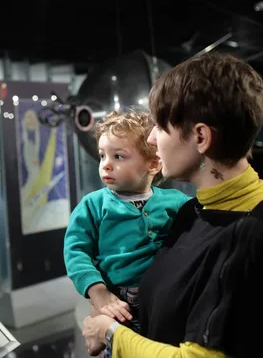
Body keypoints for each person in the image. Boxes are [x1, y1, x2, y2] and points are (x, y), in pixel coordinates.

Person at [81, 53, 263, 358]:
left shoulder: (256, 236)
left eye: (161, 126)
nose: (151, 138)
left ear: (201, 137)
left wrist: (111, 333)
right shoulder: (191, 213)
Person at [63, 110, 190, 357]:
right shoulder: (93, 205)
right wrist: (97, 292)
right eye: (102, 156)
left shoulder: (176, 202)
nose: (106, 164)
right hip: (119, 302)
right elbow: (76, 251)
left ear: (153, 164)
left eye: (118, 156)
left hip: (165, 301)